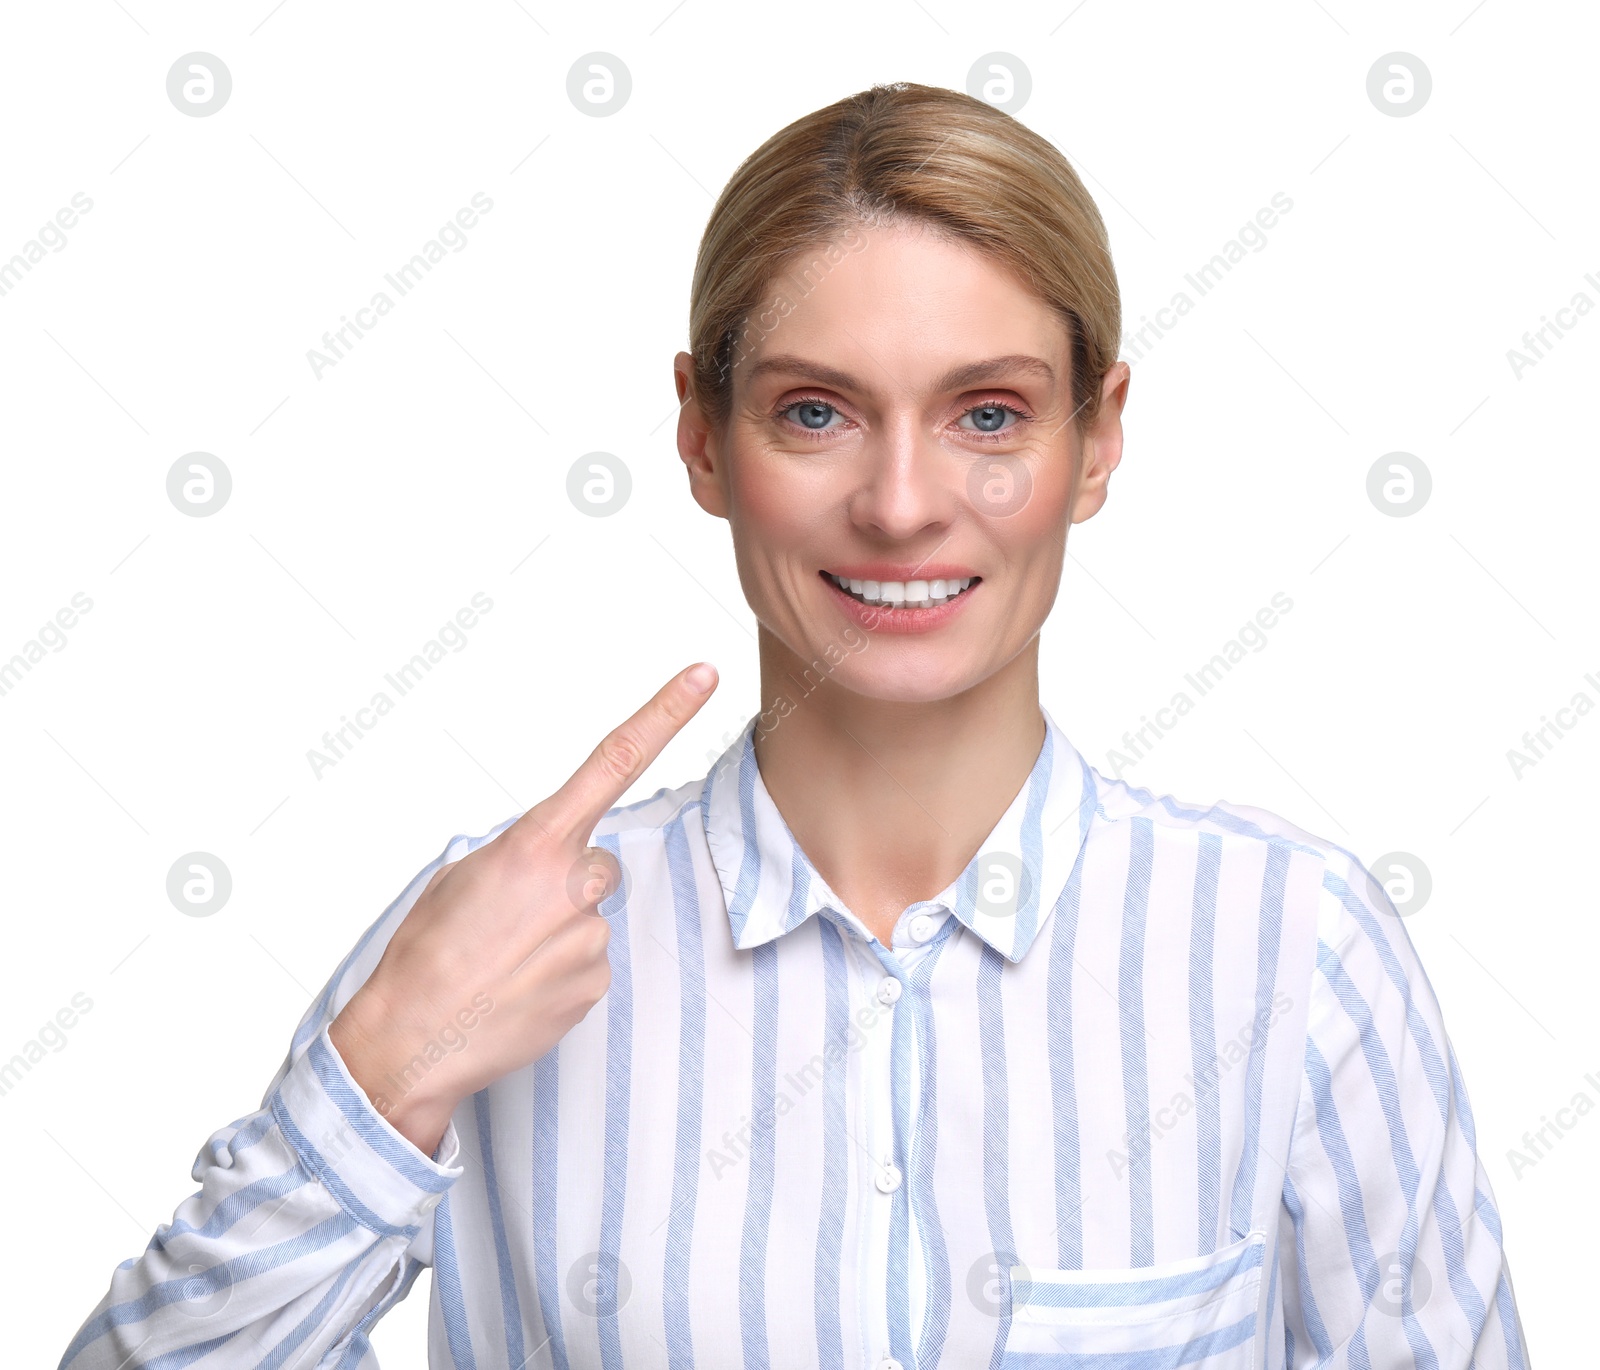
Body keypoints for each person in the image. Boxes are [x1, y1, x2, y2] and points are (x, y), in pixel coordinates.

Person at [60, 80, 1526, 1370]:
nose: (899, 502)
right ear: (701, 435)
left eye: (991, 414)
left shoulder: (1292, 945)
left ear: (1102, 437)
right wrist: (387, 1072)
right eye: (816, 412)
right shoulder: (494, 933)